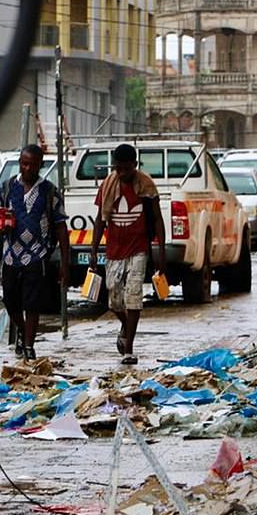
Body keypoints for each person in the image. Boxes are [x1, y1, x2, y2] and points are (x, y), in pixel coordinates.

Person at [89, 143, 166, 365]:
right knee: (114, 300)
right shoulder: (107, 187)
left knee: (133, 296)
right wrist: (94, 251)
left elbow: (158, 219)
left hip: (138, 249)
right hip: (114, 250)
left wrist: (160, 251)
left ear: (134, 165)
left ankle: (128, 348)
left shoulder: (147, 186)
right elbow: (99, 220)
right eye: (118, 168)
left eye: (126, 168)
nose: (121, 173)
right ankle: (125, 325)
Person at [0, 145, 69, 361]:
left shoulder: (49, 191)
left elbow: (61, 227)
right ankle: (21, 329)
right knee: (10, 300)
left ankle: (29, 345)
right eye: (23, 163)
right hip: (10, 255)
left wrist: (65, 262)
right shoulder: (7, 188)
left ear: (39, 165)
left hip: (38, 255)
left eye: (32, 164)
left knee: (32, 303)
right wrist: (2, 227)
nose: (27, 168)